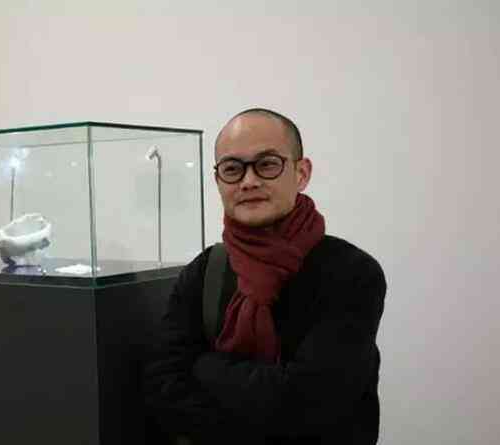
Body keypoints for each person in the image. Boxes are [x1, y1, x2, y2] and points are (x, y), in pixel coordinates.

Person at [143, 108, 387, 444]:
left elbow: (311, 404)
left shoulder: (351, 273)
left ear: (301, 173)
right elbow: (162, 387)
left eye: (267, 164)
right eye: (232, 168)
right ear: (218, 181)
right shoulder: (205, 271)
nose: (249, 181)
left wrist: (205, 367)